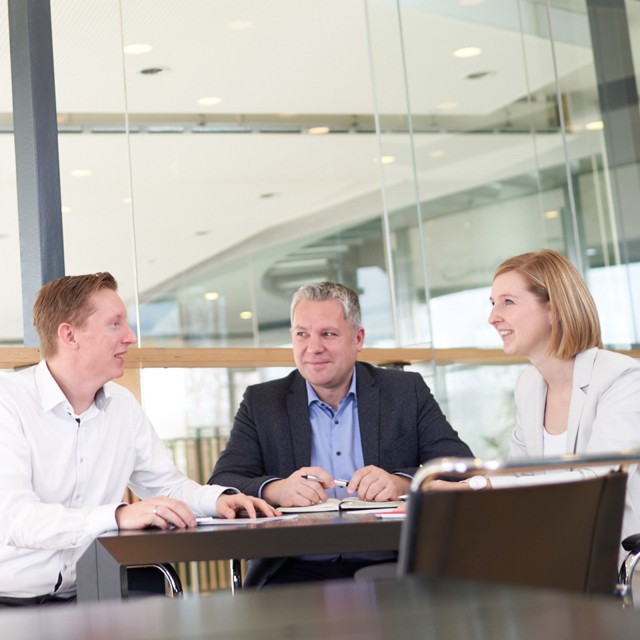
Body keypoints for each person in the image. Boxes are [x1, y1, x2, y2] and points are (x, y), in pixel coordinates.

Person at [0, 273, 277, 606]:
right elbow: (16, 520)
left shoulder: (122, 405)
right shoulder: (8, 402)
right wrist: (117, 516)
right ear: (69, 335)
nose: (130, 337)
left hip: (91, 595)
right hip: (10, 603)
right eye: (115, 324)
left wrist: (217, 500)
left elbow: (166, 487)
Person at [209, 281, 473, 586]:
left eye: (328, 334)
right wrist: (276, 489)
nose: (313, 347)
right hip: (292, 567)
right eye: (302, 334)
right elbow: (223, 481)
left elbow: (460, 466)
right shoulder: (262, 402)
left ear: (357, 339)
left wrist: (400, 482)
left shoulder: (404, 391)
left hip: (392, 560)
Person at [473, 249, 640, 542]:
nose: (492, 317)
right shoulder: (528, 386)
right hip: (553, 546)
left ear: (556, 309)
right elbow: (519, 475)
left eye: (508, 302)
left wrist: (481, 487)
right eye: (493, 304)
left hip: (613, 559)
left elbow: (597, 484)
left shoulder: (623, 378)